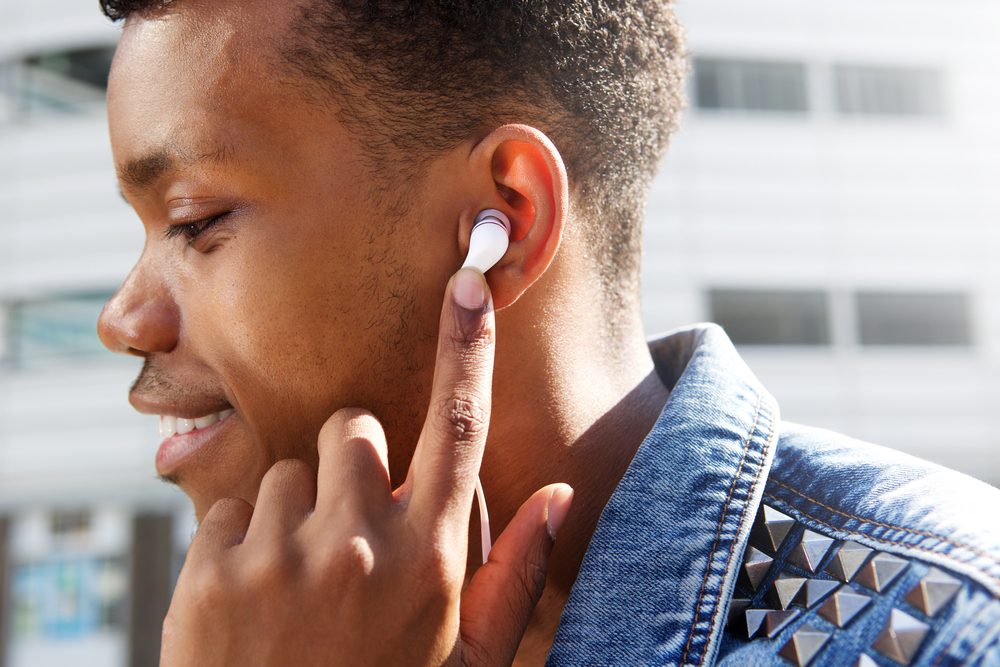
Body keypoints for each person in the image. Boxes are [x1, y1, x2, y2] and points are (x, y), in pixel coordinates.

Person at [95, 0, 1000, 664]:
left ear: (504, 219)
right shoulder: (243, 635)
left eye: (193, 219)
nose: (122, 318)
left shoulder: (938, 631)